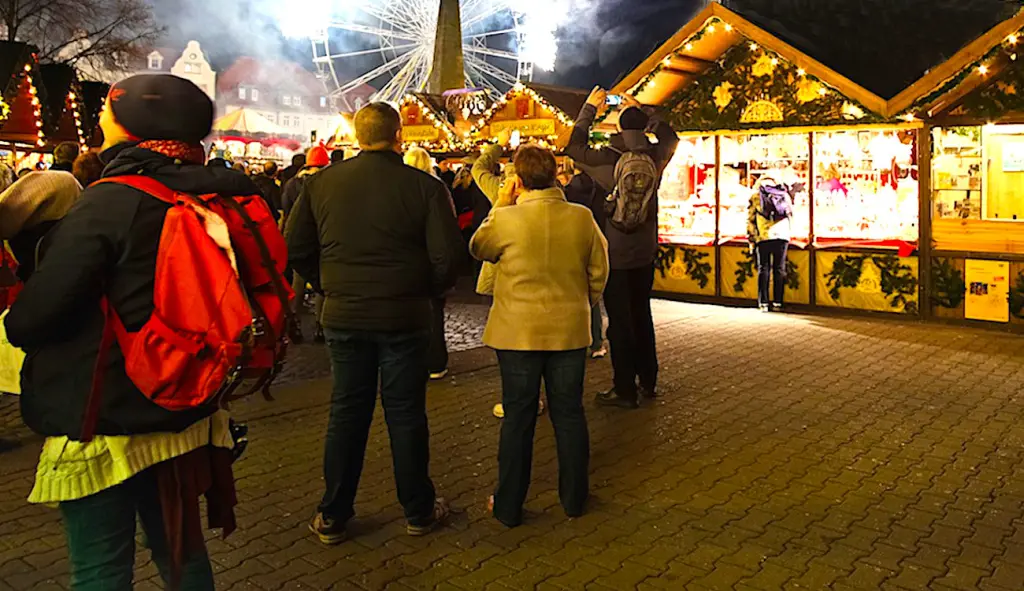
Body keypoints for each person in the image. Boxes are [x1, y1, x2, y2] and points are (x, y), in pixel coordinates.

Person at [4, 74, 242, 590]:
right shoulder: (219, 193)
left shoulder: (111, 201)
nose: (101, 120)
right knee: (181, 553)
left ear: (138, 122)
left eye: (110, 111)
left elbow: (34, 317)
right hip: (186, 400)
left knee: (101, 567)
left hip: (107, 409)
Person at [286, 102, 463, 544]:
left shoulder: (321, 184)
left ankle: (333, 512)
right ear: (399, 135)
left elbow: (294, 247)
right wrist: (425, 289)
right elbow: (448, 257)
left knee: (347, 412)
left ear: (357, 137)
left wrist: (327, 283)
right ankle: (418, 510)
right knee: (405, 414)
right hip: (404, 315)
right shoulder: (424, 187)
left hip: (344, 314)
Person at [470, 144, 609, 528]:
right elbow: (599, 270)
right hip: (568, 331)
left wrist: (500, 203)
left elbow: (478, 247)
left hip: (516, 332)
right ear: (554, 175)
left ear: (518, 180)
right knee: (569, 414)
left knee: (518, 418)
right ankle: (574, 497)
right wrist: (582, 302)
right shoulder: (581, 218)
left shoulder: (507, 219)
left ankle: (509, 504)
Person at [566, 88, 679, 409]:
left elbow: (572, 146)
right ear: (642, 129)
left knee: (619, 320)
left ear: (617, 129)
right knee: (642, 313)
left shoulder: (607, 158)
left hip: (614, 252)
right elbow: (671, 137)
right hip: (645, 252)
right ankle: (649, 380)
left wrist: (589, 108)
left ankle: (624, 388)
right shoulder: (656, 157)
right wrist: (643, 111)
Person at [404, 146, 451, 380]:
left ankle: (412, 361)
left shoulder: (399, 189)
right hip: (430, 261)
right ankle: (435, 361)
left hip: (407, 261)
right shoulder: (435, 188)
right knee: (433, 314)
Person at [283, 145, 330, 344]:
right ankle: (320, 326)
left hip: (299, 236)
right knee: (322, 283)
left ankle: (293, 322)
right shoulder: (327, 182)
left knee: (298, 280)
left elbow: (285, 208)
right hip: (321, 237)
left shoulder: (293, 183)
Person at [563, 168, 608, 360]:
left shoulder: (569, 193)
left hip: (571, 244)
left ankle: (574, 340)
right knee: (593, 300)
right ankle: (596, 342)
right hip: (594, 237)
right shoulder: (601, 188)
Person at [747, 175, 794, 312]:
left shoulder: (756, 196)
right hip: (782, 235)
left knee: (764, 268)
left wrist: (752, 238)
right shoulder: (784, 194)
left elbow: (750, 220)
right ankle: (778, 302)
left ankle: (764, 303)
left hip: (764, 236)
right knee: (779, 269)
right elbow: (791, 214)